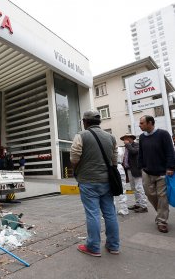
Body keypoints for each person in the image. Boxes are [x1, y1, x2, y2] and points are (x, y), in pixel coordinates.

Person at [70, 110, 120, 257]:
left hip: (88, 181)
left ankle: (93, 247)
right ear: (99, 122)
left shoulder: (81, 135)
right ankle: (113, 245)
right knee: (110, 213)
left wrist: (77, 170)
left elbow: (74, 158)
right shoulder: (111, 137)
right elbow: (114, 160)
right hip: (106, 181)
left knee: (93, 214)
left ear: (85, 122)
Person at [138, 115, 175, 233]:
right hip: (147, 172)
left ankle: (162, 221)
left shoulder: (163, 134)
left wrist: (170, 167)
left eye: (142, 123)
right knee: (150, 194)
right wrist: (141, 167)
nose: (140, 125)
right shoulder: (142, 137)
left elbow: (170, 151)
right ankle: (161, 213)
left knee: (162, 197)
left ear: (150, 123)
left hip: (162, 173)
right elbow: (141, 153)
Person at [120, 133, 148, 213]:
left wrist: (128, 145)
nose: (124, 141)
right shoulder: (126, 147)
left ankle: (144, 206)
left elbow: (133, 152)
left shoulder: (136, 145)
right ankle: (138, 203)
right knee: (134, 188)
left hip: (136, 169)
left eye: (125, 139)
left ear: (130, 138)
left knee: (139, 187)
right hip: (129, 169)